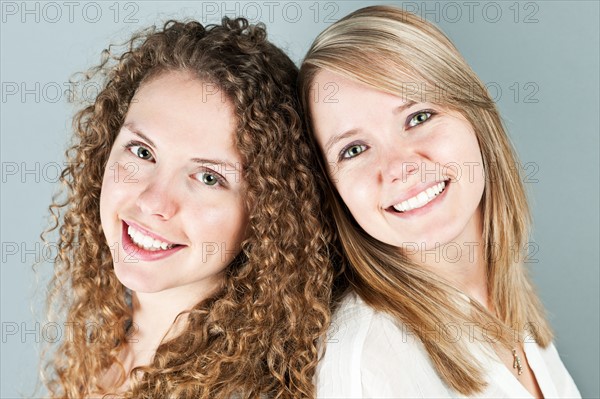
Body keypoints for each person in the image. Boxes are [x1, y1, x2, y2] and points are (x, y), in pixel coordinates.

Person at [40, 17, 335, 398]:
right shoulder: (105, 343)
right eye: (142, 151)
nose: (152, 202)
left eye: (209, 178)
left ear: (269, 212)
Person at [298, 5, 581, 398]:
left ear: (474, 114)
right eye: (355, 149)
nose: (399, 167)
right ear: (332, 186)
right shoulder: (369, 364)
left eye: (418, 117)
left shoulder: (506, 303)